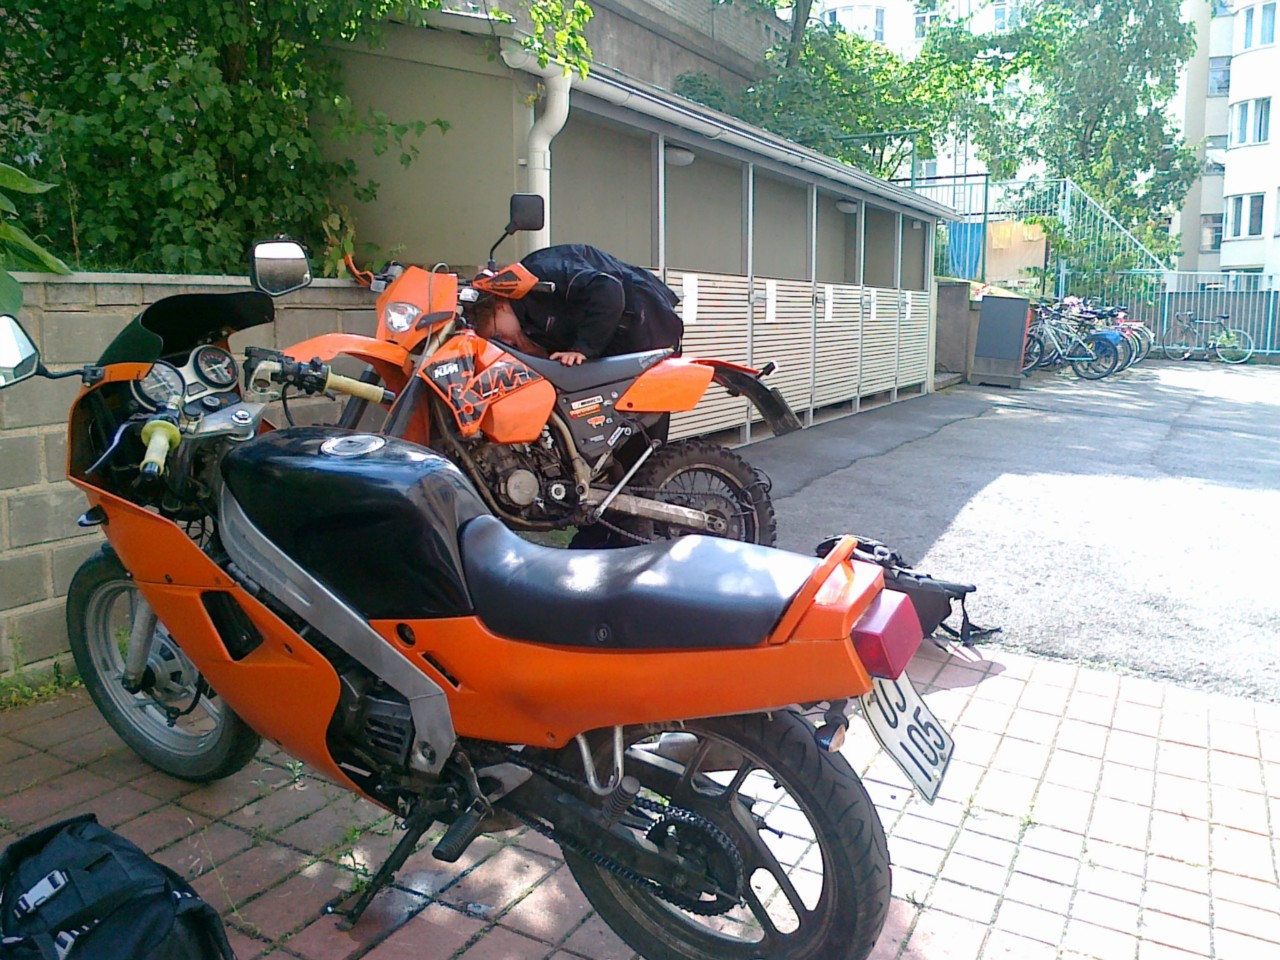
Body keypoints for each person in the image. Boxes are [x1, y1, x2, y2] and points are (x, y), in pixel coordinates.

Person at [468, 244, 683, 364]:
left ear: (500, 305)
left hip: (645, 322)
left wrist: (583, 349)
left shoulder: (539, 274)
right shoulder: (526, 319)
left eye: (498, 335)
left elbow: (608, 289)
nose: (505, 342)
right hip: (616, 342)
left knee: (643, 413)